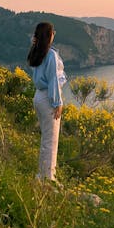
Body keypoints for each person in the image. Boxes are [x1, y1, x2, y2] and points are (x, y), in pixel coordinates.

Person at [27, 22, 67, 182]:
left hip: (39, 96)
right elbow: (53, 81)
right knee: (51, 140)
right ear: (48, 35)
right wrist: (58, 103)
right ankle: (49, 179)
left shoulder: (37, 52)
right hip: (48, 98)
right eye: (53, 32)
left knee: (46, 139)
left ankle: (42, 175)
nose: (54, 34)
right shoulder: (50, 54)